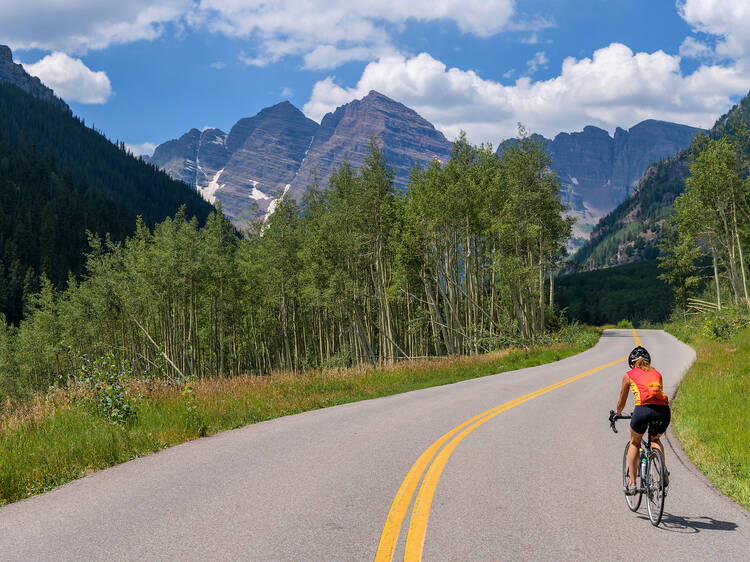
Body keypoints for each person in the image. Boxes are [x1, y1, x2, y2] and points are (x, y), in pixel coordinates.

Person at [615, 346, 671, 495]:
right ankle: (663, 470)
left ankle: (632, 484)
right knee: (654, 440)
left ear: (632, 364)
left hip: (642, 411)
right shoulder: (657, 374)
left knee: (634, 442)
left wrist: (617, 413)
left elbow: (622, 402)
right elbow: (656, 397)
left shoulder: (629, 375)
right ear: (648, 362)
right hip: (663, 411)